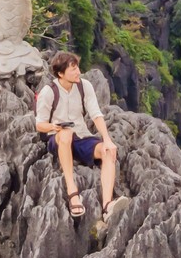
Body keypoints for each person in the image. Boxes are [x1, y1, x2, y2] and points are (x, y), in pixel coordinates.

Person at [34, 52, 119, 219]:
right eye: (73, 69)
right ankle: (72, 192)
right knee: (66, 134)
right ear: (61, 74)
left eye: (77, 67)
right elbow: (39, 124)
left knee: (108, 152)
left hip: (81, 136)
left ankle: (107, 206)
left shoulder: (84, 86)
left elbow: (96, 113)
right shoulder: (49, 91)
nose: (78, 72)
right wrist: (54, 126)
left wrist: (107, 140)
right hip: (57, 138)